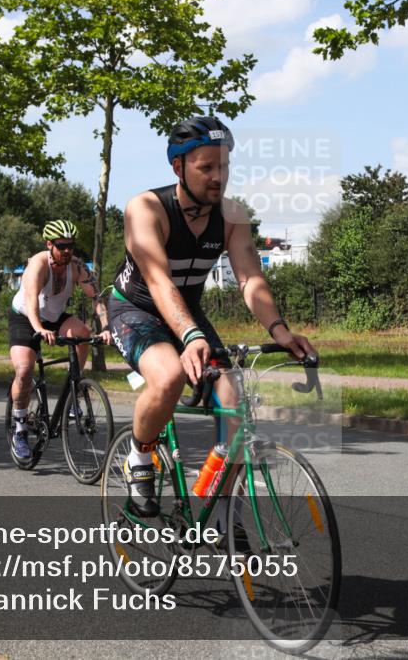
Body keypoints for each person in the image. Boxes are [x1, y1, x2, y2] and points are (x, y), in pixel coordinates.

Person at [108, 115, 316, 517]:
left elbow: (250, 279)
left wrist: (281, 331)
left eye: (224, 166)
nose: (218, 177)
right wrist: (189, 336)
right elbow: (157, 280)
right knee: (167, 376)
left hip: (187, 310)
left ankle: (219, 508)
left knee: (235, 403)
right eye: (206, 168)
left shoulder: (232, 215)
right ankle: (139, 454)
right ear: (178, 167)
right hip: (136, 309)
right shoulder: (145, 208)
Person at [8, 220, 110, 459]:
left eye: (71, 246)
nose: (67, 250)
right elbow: (32, 300)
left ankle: (75, 388)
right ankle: (20, 428)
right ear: (49, 244)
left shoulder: (77, 267)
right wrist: (39, 329)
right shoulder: (38, 264)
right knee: (24, 370)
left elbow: (96, 297)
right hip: (26, 316)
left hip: (54, 316)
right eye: (62, 246)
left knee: (83, 333)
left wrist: (106, 326)